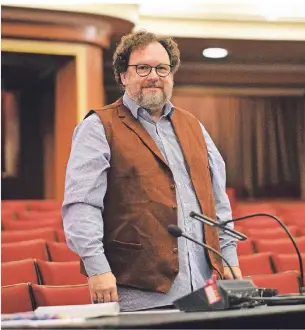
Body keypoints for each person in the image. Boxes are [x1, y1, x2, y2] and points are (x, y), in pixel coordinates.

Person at [62, 30, 242, 312]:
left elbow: (218, 202)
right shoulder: (98, 126)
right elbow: (82, 205)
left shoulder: (194, 126)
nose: (154, 76)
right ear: (123, 75)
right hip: (139, 294)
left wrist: (229, 257)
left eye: (162, 68)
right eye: (142, 68)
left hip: (204, 290)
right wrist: (97, 268)